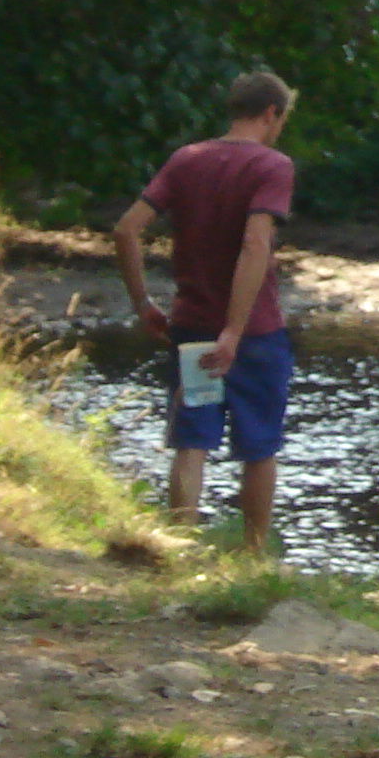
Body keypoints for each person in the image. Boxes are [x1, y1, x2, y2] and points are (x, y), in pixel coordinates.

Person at [113, 71, 300, 556]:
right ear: (271, 114)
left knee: (190, 442)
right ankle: (254, 557)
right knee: (259, 448)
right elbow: (255, 241)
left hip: (190, 324)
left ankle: (176, 550)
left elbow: (126, 230)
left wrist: (142, 304)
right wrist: (235, 331)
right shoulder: (272, 166)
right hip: (256, 332)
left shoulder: (187, 159)